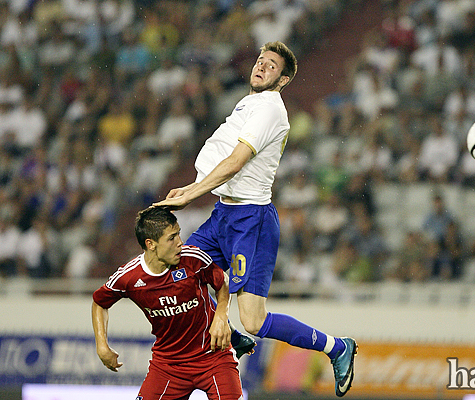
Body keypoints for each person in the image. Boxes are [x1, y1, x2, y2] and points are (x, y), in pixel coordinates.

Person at [154, 41, 357, 397]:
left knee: (255, 318)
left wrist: (189, 194)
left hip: (252, 220)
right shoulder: (249, 102)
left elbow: (236, 161)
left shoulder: (270, 109)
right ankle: (234, 337)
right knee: (179, 276)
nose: (262, 67)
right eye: (261, 61)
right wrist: (191, 186)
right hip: (223, 214)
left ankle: (337, 347)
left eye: (272, 66)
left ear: (284, 80)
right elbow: (223, 165)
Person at [92, 206, 243, 400]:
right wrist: (102, 346)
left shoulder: (193, 258)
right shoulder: (129, 277)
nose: (180, 243)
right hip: (169, 365)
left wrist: (221, 315)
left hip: (213, 356)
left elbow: (222, 282)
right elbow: (99, 302)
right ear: (151, 244)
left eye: (178, 234)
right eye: (171, 238)